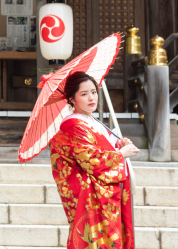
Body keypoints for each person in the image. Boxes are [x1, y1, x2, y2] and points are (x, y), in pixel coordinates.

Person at [49, 71, 140, 249]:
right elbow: (91, 159)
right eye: (84, 94)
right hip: (90, 195)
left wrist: (118, 144)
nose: (91, 98)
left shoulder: (91, 121)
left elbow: (101, 148)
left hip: (102, 192)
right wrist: (121, 154)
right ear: (72, 99)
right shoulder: (74, 125)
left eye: (93, 92)